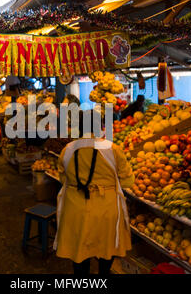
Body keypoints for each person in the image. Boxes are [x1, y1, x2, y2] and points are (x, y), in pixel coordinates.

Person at [54, 112, 134, 274]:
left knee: (79, 253)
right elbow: (127, 182)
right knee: (106, 250)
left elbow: (64, 178)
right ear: (101, 127)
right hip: (106, 209)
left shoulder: (67, 150)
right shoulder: (113, 149)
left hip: (75, 209)